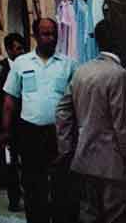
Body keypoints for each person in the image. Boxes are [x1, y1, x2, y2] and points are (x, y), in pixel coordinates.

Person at [2, 18, 77, 223]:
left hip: (59, 133)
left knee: (61, 184)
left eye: (53, 33)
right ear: (35, 36)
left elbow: (76, 102)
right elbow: (10, 99)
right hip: (30, 132)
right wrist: (6, 130)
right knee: (34, 184)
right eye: (45, 34)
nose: (50, 38)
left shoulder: (68, 65)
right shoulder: (21, 63)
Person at [56, 20, 126, 223]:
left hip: (84, 160)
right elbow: (122, 125)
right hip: (113, 165)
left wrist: (66, 148)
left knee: (89, 215)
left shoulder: (81, 71)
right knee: (116, 217)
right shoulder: (118, 75)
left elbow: (62, 111)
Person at [0, 33, 26, 211]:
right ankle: (14, 198)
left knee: (27, 162)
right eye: (17, 48)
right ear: (9, 50)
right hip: (8, 125)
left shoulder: (28, 65)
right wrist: (0, 126)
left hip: (26, 123)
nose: (21, 52)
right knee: (10, 163)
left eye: (22, 48)